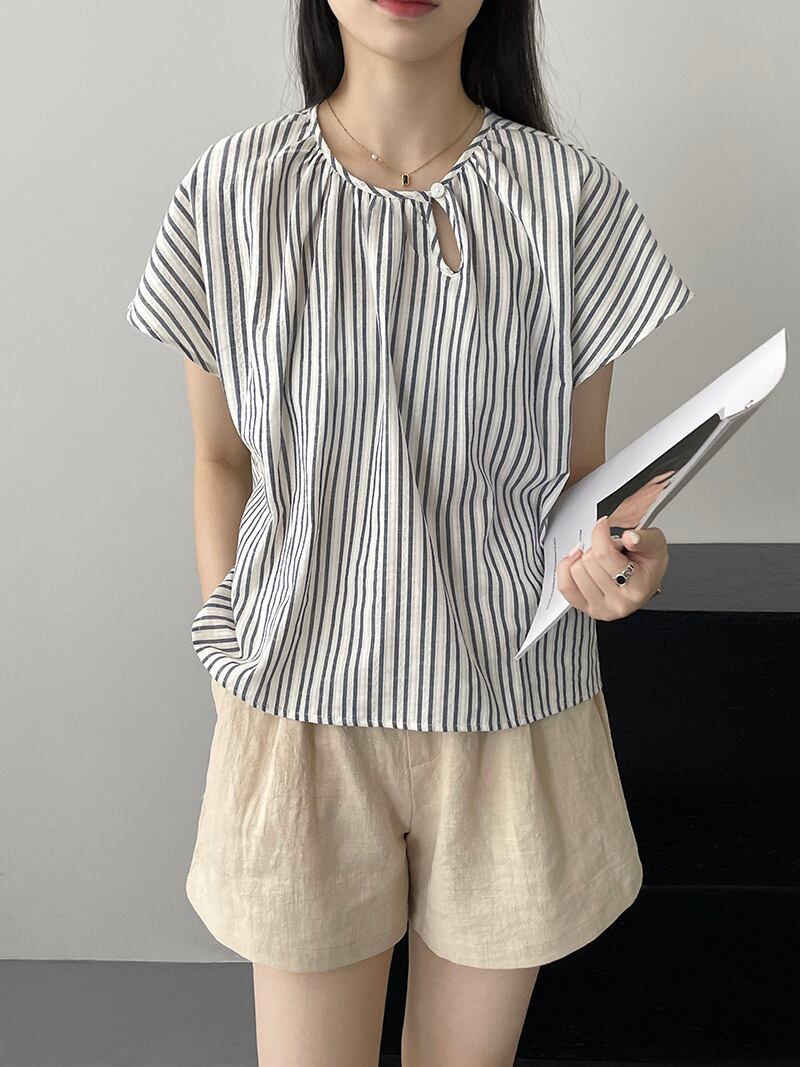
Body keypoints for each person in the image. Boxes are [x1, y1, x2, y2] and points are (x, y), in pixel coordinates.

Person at [125, 0, 694, 1063]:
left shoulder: (568, 200)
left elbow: (583, 487)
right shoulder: (232, 191)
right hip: (300, 712)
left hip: (511, 711)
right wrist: (231, 662)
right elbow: (220, 460)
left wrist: (629, 561)